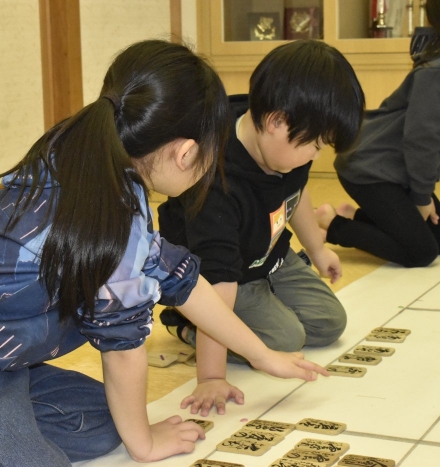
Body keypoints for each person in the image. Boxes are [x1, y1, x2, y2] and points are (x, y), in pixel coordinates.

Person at [0, 40, 329, 467]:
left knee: (104, 423)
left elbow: (182, 280)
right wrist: (144, 444)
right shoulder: (109, 222)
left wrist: (263, 355)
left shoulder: (95, 172)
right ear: (185, 153)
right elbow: (123, 354)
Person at [157, 40, 365, 416]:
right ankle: (185, 322)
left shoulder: (289, 143)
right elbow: (218, 284)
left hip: (268, 254)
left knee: (329, 323)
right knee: (285, 338)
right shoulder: (216, 178)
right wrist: (211, 377)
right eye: (315, 146)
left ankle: (249, 314)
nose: (315, 156)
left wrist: (317, 249)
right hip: (220, 275)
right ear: (276, 122)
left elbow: (295, 193)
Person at [316, 0, 440, 268]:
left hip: (398, 168)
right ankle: (333, 224)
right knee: (421, 253)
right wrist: (421, 197)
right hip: (370, 169)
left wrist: (424, 191)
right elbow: (421, 140)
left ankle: (358, 217)